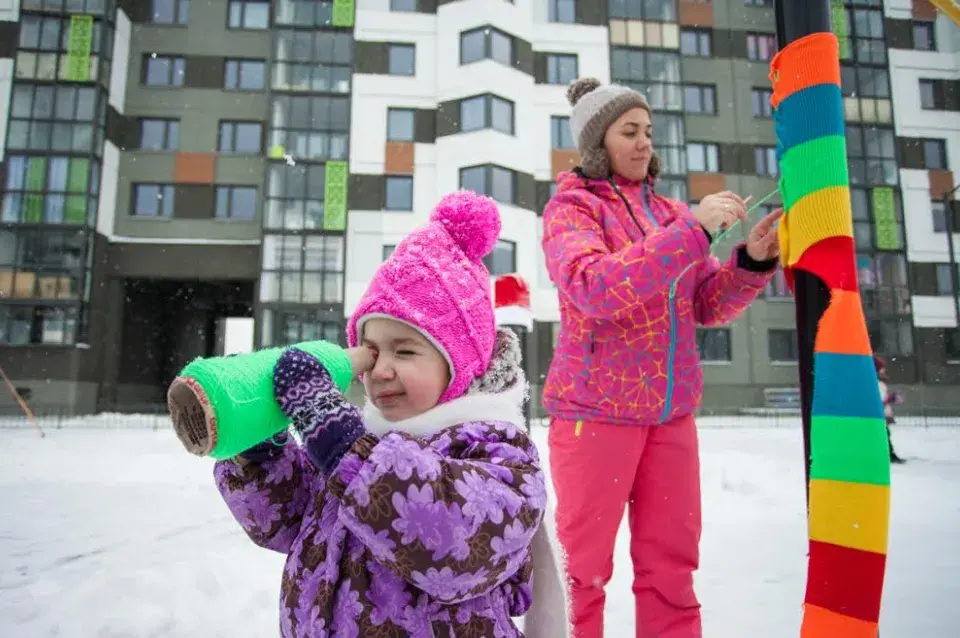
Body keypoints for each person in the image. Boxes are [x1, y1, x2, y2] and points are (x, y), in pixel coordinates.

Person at [214, 191, 570, 637]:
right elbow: (284, 521)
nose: (381, 370)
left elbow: (451, 540)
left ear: (460, 366)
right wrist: (260, 450)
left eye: (404, 350)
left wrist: (342, 443)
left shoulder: (498, 451)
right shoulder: (358, 443)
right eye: (371, 351)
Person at [541, 77, 782, 638]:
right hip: (595, 414)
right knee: (582, 571)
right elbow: (594, 287)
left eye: (648, 131)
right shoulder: (571, 210)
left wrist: (751, 262)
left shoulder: (669, 211)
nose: (644, 142)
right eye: (630, 131)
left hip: (670, 417)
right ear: (599, 142)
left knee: (672, 569)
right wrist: (693, 231)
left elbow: (703, 303)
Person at [875, 355, 905, 464]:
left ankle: (888, 454)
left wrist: (891, 398)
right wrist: (891, 398)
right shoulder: (878, 384)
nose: (884, 370)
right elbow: (879, 400)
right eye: (881, 368)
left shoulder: (880, 383)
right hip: (880, 415)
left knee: (885, 434)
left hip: (882, 414)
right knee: (884, 435)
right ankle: (889, 455)